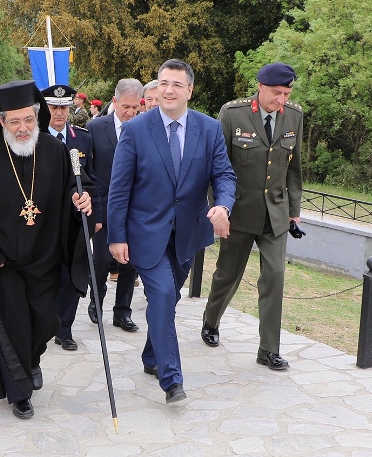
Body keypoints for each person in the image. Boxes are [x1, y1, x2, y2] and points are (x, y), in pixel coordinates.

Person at [0, 79, 92, 420]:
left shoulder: (55, 150)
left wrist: (83, 203)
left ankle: (31, 361)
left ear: (37, 116)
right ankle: (20, 392)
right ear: (1, 122)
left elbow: (71, 198)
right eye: (14, 121)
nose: (23, 127)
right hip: (5, 262)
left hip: (44, 257)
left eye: (28, 119)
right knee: (11, 326)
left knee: (45, 323)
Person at [108, 59, 236, 404]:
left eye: (177, 85)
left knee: (169, 297)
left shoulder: (209, 129)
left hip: (188, 236)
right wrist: (116, 236)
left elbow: (224, 176)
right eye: (164, 83)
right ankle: (171, 379)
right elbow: (119, 189)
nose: (168, 90)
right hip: (145, 233)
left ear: (189, 90)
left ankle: (152, 356)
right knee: (163, 295)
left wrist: (223, 206)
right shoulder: (137, 130)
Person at [202, 62, 303, 371]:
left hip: (275, 215)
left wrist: (294, 212)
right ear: (260, 87)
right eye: (276, 93)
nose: (281, 100)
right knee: (227, 274)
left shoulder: (295, 116)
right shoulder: (233, 114)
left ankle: (268, 349)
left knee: (275, 276)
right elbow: (217, 166)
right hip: (239, 212)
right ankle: (211, 321)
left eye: (286, 93)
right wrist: (219, 209)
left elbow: (294, 167)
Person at [41, 83, 96, 351]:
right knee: (45, 276)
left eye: (63, 107)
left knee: (71, 275)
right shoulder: (34, 139)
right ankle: (42, 324)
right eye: (53, 107)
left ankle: (65, 328)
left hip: (74, 222)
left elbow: (93, 180)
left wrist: (88, 198)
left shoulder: (82, 138)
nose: (59, 112)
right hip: (42, 222)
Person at [85, 79, 143, 332]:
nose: (130, 112)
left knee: (130, 263)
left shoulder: (145, 128)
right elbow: (89, 172)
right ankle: (96, 301)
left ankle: (123, 311)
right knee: (100, 260)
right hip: (105, 207)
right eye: (126, 106)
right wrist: (95, 212)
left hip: (135, 209)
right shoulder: (96, 128)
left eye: (135, 107)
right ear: (115, 102)